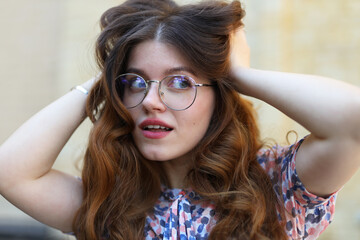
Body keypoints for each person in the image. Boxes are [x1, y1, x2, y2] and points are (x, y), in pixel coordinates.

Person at [0, 0, 359, 239]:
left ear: (218, 95)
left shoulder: (275, 186)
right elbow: (11, 172)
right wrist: (104, 80)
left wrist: (241, 74)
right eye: (136, 82)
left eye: (180, 82)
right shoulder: (109, 202)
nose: (152, 101)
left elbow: (352, 120)